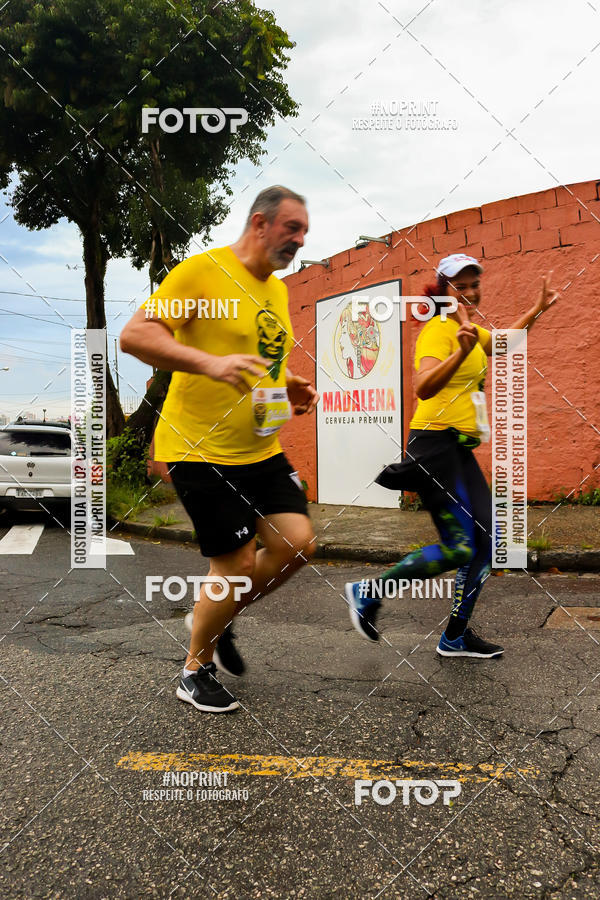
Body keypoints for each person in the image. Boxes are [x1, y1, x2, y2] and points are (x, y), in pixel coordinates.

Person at [120, 185, 319, 712]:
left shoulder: (276, 291)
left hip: (260, 449)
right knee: (234, 565)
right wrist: (209, 364)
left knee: (298, 544)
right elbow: (134, 335)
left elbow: (258, 359)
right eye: (292, 228)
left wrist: (291, 384)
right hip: (200, 448)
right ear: (260, 224)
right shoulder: (202, 273)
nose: (301, 239)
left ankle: (217, 613)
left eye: (304, 231)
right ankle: (194, 670)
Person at [345, 253, 559, 658]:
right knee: (460, 546)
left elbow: (505, 343)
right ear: (444, 291)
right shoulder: (439, 330)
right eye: (461, 287)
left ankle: (455, 637)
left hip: (458, 450)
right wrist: (459, 353)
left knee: (489, 542)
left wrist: (537, 309)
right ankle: (368, 592)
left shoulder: (469, 330)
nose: (471, 292)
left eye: (475, 284)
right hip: (434, 448)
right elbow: (422, 387)